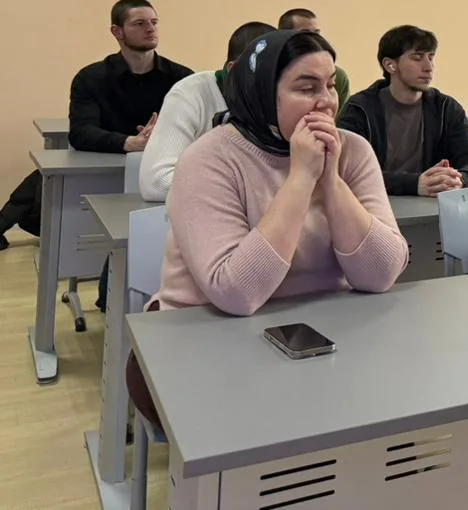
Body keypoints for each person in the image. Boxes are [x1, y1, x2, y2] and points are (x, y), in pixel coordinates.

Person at [126, 29, 408, 427]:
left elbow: (381, 274)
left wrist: (330, 180)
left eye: (330, 85)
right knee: (281, 432)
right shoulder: (209, 159)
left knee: (389, 417)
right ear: (261, 92)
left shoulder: (352, 151)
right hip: (201, 340)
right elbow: (236, 292)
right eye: (306, 88)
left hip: (320, 341)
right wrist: (301, 177)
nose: (326, 101)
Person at [69, 0, 193, 306]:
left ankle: (125, 299)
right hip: (110, 174)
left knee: (144, 238)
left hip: (161, 177)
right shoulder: (90, 78)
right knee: (120, 237)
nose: (150, 29)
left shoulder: (181, 78)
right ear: (117, 32)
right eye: (139, 23)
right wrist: (130, 143)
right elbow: (81, 132)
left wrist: (160, 140)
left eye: (154, 22)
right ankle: (111, 298)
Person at [337, 25, 468, 196]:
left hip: (429, 205)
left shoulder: (445, 108)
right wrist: (414, 184)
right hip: (375, 202)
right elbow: (346, 170)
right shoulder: (360, 109)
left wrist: (459, 179)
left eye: (431, 57)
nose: (428, 67)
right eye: (417, 58)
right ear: (390, 65)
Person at [138, 21, 274, 202]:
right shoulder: (190, 94)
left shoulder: (285, 99)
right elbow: (157, 183)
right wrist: (249, 188)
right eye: (266, 75)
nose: (273, 85)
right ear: (234, 70)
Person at [278, 9, 350, 109]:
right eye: (305, 33)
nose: (314, 39)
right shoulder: (274, 74)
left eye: (317, 33)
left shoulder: (339, 76)